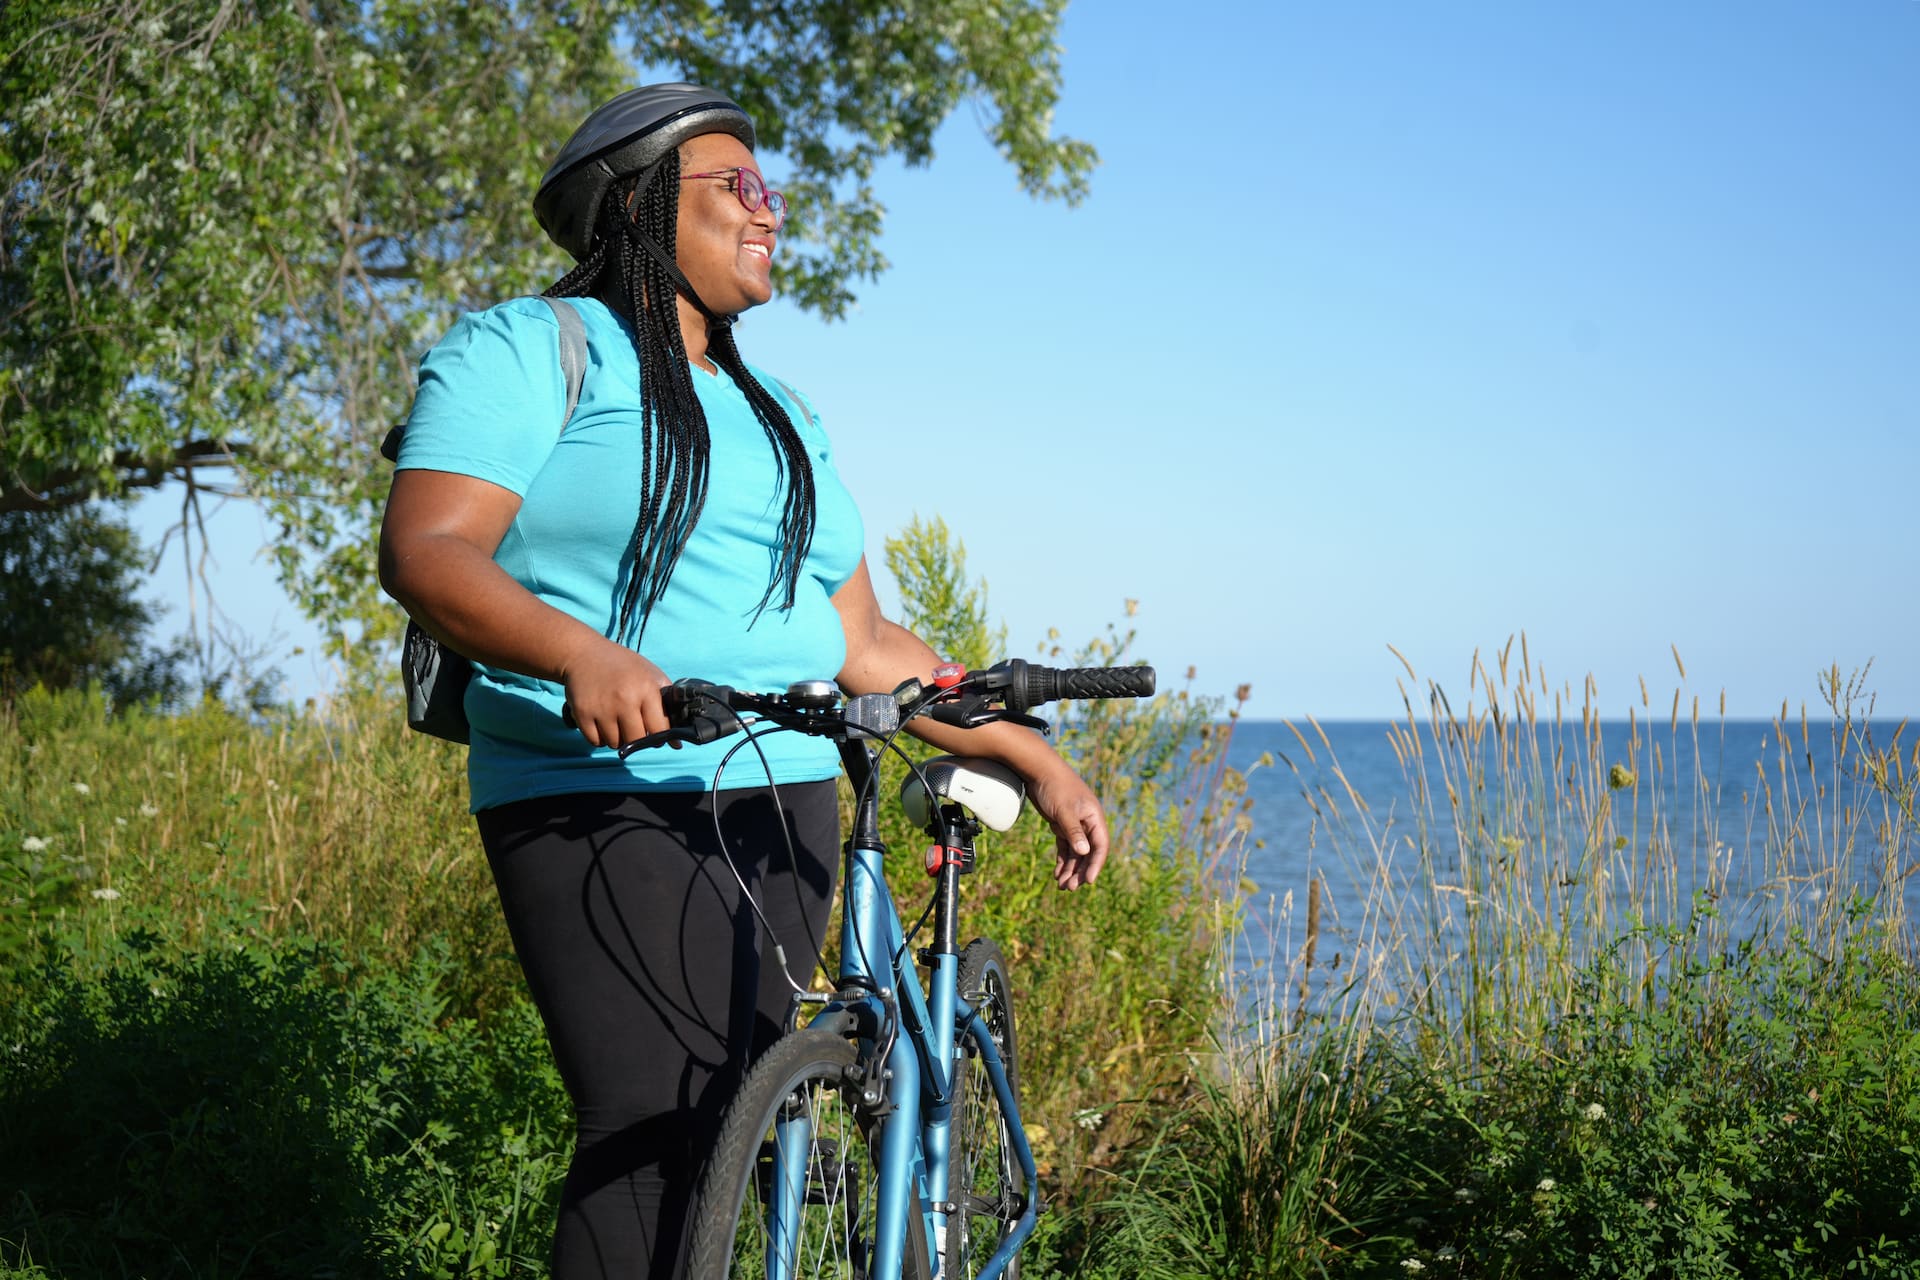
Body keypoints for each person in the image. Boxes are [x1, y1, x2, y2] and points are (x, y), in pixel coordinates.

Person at [377, 82, 1109, 1280]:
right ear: (637, 201)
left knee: (742, 1124)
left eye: (776, 192)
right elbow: (427, 548)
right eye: (742, 188)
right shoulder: (530, 349)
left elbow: (862, 643)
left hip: (788, 794)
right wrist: (579, 653)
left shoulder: (784, 414)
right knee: (651, 1135)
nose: (772, 213)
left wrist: (1025, 750)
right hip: (600, 789)